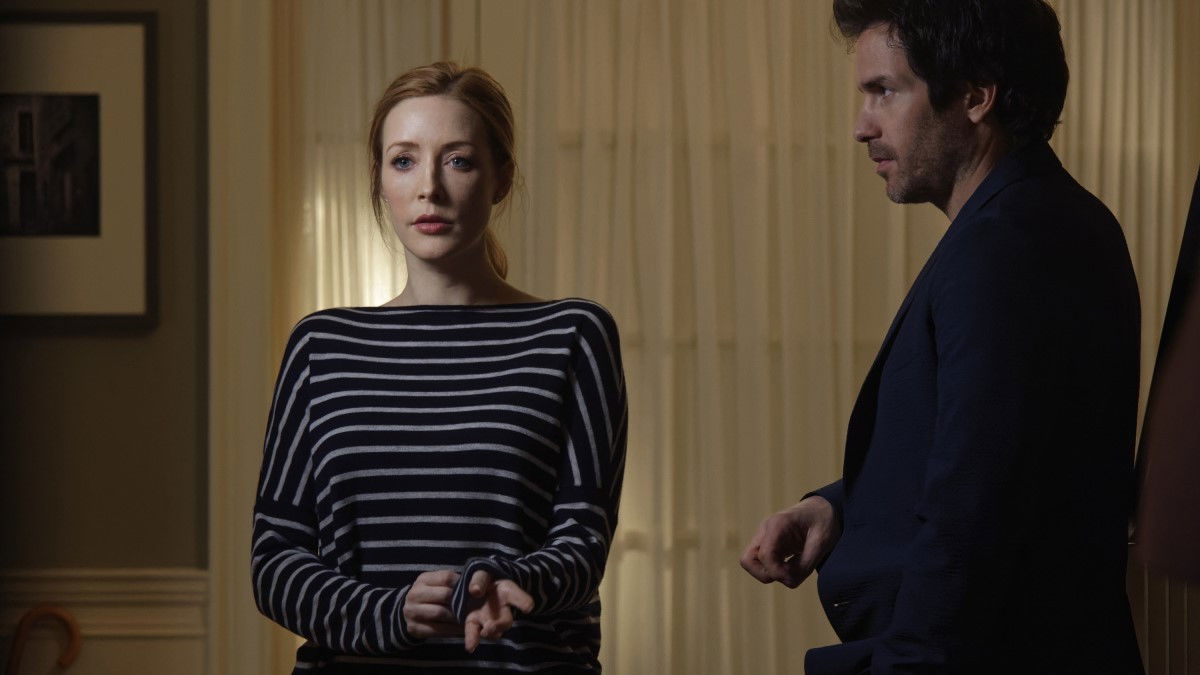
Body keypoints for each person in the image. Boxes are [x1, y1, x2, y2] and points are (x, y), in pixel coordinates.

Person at [739, 1, 1144, 673]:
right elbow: (991, 453)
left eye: (885, 91)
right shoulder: (1037, 222)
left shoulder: (1008, 246)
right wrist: (836, 509)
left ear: (977, 95)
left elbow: (973, 516)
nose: (861, 126)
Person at [251, 62, 627, 673]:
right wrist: (390, 613)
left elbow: (582, 540)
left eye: (458, 160)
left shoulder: (573, 334)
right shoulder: (320, 346)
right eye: (403, 160)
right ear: (379, 180)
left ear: (502, 177)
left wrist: (505, 581)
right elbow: (275, 562)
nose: (429, 187)